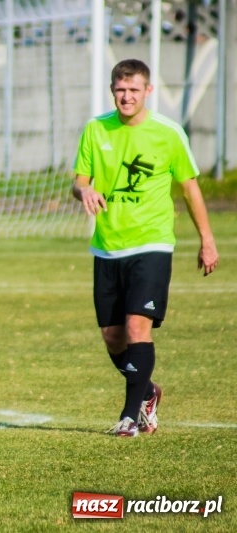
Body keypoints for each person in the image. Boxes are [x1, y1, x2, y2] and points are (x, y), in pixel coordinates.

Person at [72, 58, 219, 437]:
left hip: (152, 244)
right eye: (120, 90)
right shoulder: (95, 129)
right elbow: (79, 180)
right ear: (112, 90)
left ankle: (129, 415)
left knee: (138, 327)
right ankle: (148, 391)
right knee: (113, 336)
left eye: (134, 90)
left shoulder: (168, 133)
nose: (126, 96)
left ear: (147, 91)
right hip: (107, 247)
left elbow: (189, 188)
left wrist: (207, 240)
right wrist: (84, 189)